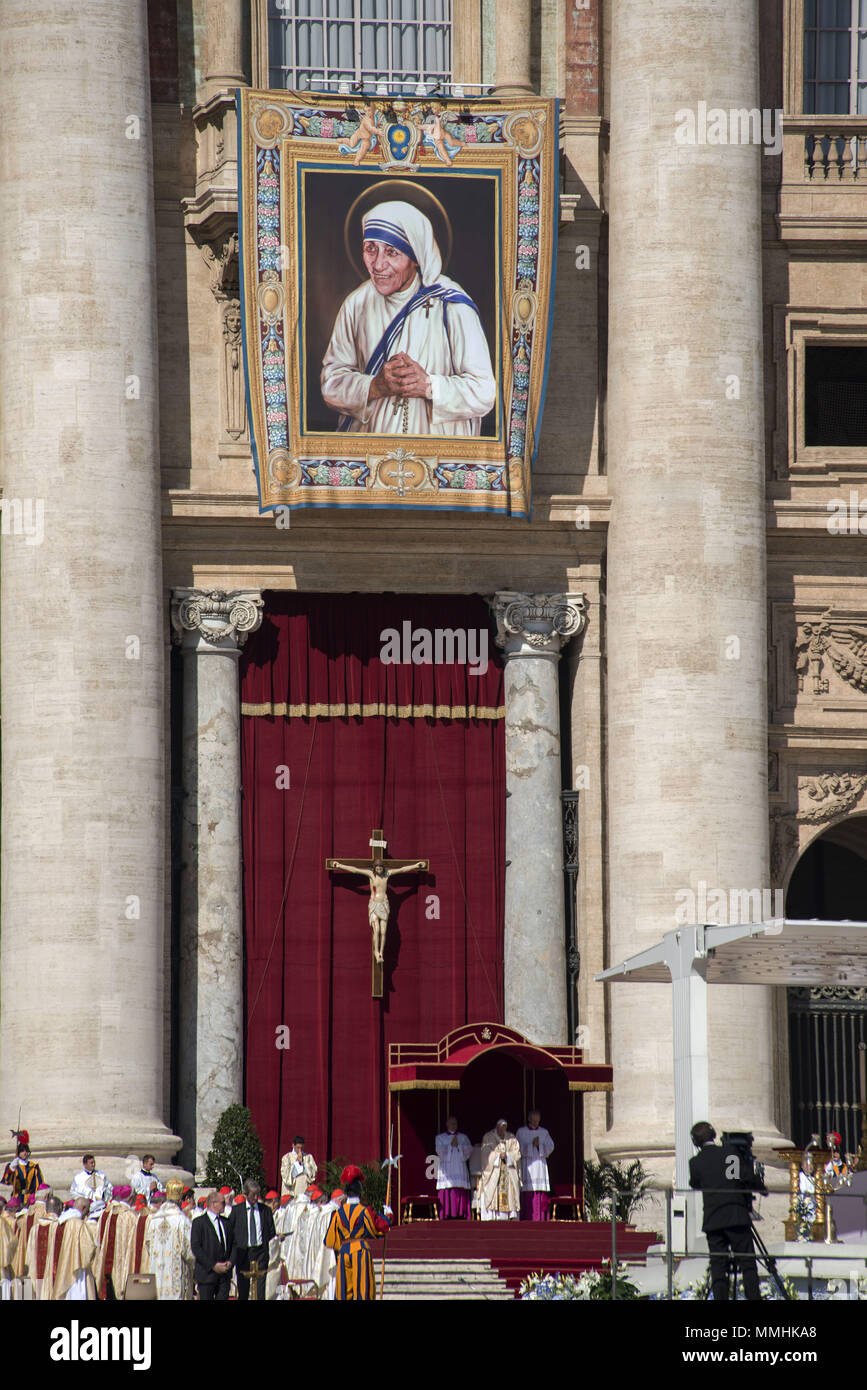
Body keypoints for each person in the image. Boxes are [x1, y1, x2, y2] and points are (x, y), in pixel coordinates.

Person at [321, 199, 496, 437]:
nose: (378, 264)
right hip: (372, 455)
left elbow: (484, 392)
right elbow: (331, 385)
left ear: (415, 257)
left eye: (391, 252)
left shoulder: (451, 304)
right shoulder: (356, 304)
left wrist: (429, 386)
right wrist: (375, 386)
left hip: (438, 457)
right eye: (370, 248)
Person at [688, 1121, 762, 1300]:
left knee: (718, 1267)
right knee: (747, 1264)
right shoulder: (729, 1154)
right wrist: (761, 1186)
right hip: (735, 1216)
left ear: (696, 1142)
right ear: (713, 1135)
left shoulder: (696, 1162)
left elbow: (695, 1183)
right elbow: (743, 1177)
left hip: (714, 1220)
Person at [323, 1164, 392, 1301]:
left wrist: (341, 1245)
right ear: (360, 1193)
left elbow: (329, 1239)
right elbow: (374, 1229)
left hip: (343, 1252)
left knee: (344, 1291)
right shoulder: (363, 1211)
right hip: (360, 1251)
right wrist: (387, 1217)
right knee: (362, 1289)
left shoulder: (337, 1213)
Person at [142, 1178, 194, 1300]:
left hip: (157, 1270)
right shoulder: (182, 1220)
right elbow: (189, 1250)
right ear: (180, 1200)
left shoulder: (154, 1219)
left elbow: (148, 1244)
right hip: (175, 1274)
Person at [227, 1178, 277, 1301]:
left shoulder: (265, 1210)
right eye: (253, 1195)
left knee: (260, 1289)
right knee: (243, 1289)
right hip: (244, 1252)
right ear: (245, 1194)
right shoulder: (237, 1211)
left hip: (260, 1252)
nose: (255, 1197)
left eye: (257, 1194)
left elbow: (271, 1231)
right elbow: (230, 1231)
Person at [191, 1190, 234, 1301]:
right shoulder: (199, 1222)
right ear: (214, 1204)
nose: (225, 1205)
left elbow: (233, 1244)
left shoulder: (226, 1222)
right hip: (207, 1274)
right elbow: (196, 1247)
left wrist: (230, 1262)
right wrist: (213, 1265)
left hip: (224, 1274)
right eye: (223, 1202)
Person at [54, 1196, 97, 1300]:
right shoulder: (79, 1224)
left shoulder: (59, 1223)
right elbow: (89, 1250)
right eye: (87, 1210)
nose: (87, 1214)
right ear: (83, 1208)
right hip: (77, 1272)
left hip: (61, 1269)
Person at [479, 1120, 522, 1221]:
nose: (503, 1130)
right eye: (501, 1127)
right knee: (492, 1184)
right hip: (494, 1169)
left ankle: (511, 1213)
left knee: (512, 1182)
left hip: (508, 1169)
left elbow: (517, 1153)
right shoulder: (488, 1137)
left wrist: (507, 1155)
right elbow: (485, 1154)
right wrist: (498, 1156)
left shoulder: (511, 1138)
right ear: (496, 1127)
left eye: (505, 1127)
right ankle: (493, 1215)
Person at [516, 1111, 555, 1221]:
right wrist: (531, 1145)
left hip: (539, 1165)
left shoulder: (544, 1132)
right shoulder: (521, 1132)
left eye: (537, 1120)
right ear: (529, 1119)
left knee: (539, 1191)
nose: (535, 1122)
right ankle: (527, 1217)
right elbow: (516, 1149)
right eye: (533, 1120)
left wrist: (540, 1146)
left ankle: (541, 1218)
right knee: (527, 1191)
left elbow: (551, 1147)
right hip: (527, 1165)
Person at [435, 1117, 472, 1220]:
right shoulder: (440, 1137)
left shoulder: (463, 1137)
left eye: (455, 1123)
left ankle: (462, 1212)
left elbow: (469, 1151)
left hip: (459, 1166)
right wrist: (451, 1146)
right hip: (447, 1168)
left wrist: (459, 1146)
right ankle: (446, 1213)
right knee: (448, 1188)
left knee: (460, 1187)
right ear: (447, 1124)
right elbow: (439, 1151)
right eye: (451, 1123)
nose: (453, 1125)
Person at [2, 1133, 44, 1201]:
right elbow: (6, 1181)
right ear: (18, 1152)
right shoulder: (13, 1166)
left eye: (26, 1151)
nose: (24, 1153)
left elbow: (39, 1184)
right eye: (22, 1151)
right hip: (17, 1198)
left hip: (30, 1198)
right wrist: (11, 1168)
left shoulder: (34, 1167)